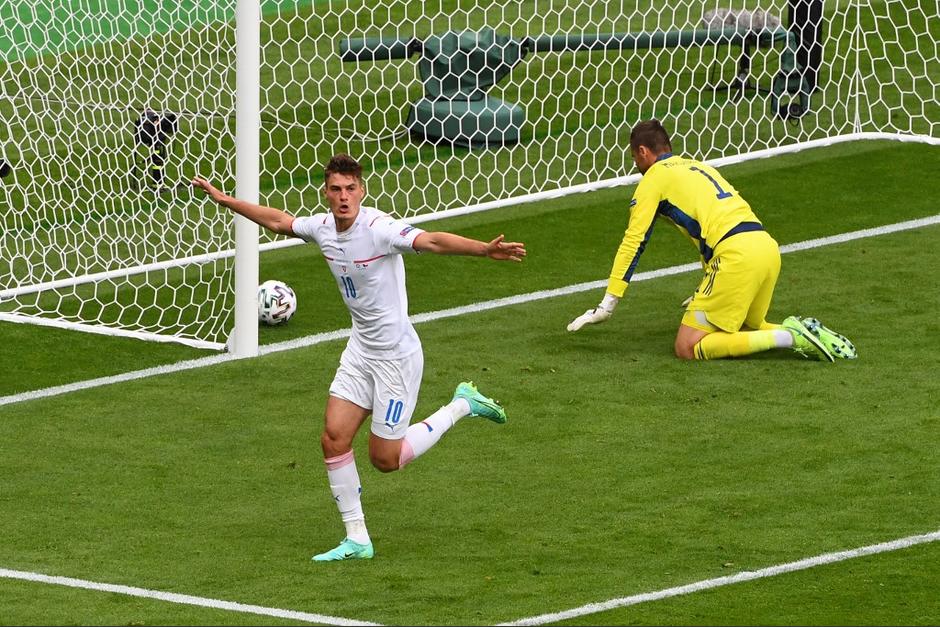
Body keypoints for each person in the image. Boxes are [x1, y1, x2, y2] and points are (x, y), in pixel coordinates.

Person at [192, 154, 526, 561]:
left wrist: (481, 250)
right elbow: (280, 221)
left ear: (362, 191)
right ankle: (357, 539)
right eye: (336, 189)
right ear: (326, 193)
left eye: (351, 189)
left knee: (385, 460)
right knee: (333, 438)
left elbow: (432, 241)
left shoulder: (379, 229)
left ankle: (461, 404)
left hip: (396, 358)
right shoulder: (322, 228)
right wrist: (226, 200)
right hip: (360, 351)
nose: (343, 197)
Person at [567, 119, 856, 362]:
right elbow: (714, 220)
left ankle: (790, 336)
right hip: (766, 248)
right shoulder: (699, 167)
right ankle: (806, 331)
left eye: (634, 158)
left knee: (687, 347)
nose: (636, 165)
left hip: (736, 257)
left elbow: (634, 242)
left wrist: (607, 305)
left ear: (643, 151)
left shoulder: (653, 179)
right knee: (746, 328)